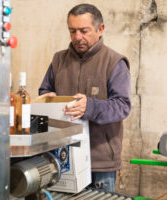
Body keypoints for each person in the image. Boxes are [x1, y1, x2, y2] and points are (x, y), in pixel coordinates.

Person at [38, 4, 131, 193]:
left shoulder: (115, 62)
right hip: (61, 157)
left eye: (83, 30)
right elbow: (45, 90)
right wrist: (46, 100)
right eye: (72, 31)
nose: (77, 37)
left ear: (100, 29)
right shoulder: (58, 60)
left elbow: (122, 106)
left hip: (100, 161)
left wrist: (90, 107)